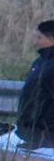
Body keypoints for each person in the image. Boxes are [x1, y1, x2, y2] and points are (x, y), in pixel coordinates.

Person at [19, 18, 54, 150]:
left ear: (51, 39)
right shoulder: (41, 62)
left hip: (47, 135)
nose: (36, 41)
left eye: (40, 37)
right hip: (34, 132)